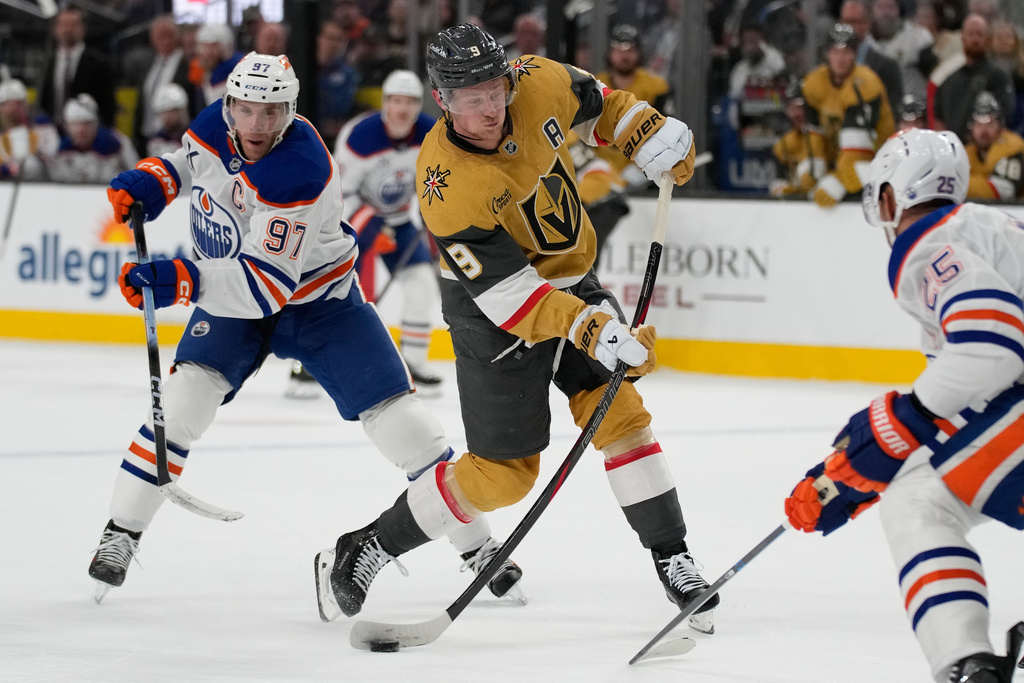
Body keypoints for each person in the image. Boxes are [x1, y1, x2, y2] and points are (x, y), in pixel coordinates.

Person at [314, 23, 720, 634]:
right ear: (441, 101)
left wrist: (647, 132)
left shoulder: (536, 80)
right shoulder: (445, 184)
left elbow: (603, 103)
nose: (488, 108)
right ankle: (369, 543)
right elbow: (512, 300)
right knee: (504, 477)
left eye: (493, 88)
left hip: (571, 281)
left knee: (621, 414)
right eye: (468, 97)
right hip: (492, 315)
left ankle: (674, 557)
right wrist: (591, 328)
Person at [88, 52, 523, 606]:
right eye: (246, 110)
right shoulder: (210, 126)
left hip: (319, 304)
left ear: (290, 111)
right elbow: (189, 162)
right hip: (231, 296)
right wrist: (157, 180)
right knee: (178, 408)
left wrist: (178, 279)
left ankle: (478, 547)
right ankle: (120, 533)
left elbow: (262, 289)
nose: (257, 125)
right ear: (229, 106)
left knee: (407, 428)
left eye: (271, 112)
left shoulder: (300, 169)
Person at [784, 127, 1024, 683]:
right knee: (920, 478)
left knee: (919, 502)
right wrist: (857, 467)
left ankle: (964, 660)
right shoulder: (989, 228)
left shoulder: (930, 246)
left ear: (890, 197)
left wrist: (901, 425)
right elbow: (987, 382)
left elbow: (991, 345)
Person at [287, 70, 442, 399]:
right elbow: (339, 193)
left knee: (422, 285)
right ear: (385, 103)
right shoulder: (360, 136)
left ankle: (412, 364)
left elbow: (442, 176)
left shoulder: (431, 132)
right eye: (396, 101)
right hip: (352, 218)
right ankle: (310, 364)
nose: (402, 109)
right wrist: (371, 225)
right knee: (341, 292)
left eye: (410, 102)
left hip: (399, 221)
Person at [801, 23, 895, 208]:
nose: (840, 58)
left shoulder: (866, 84)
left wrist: (835, 181)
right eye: (835, 52)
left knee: (851, 178)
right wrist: (813, 170)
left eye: (846, 52)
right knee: (806, 179)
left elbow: (856, 154)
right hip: (841, 160)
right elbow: (814, 137)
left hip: (877, 161)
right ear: (827, 54)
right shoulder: (814, 83)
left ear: (855, 54)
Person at [595, 24, 673, 186]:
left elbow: (664, 135)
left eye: (630, 51)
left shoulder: (656, 87)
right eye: (619, 51)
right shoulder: (594, 86)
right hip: (599, 175)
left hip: (641, 177)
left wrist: (644, 168)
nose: (625, 57)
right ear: (610, 54)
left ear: (639, 53)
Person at [933, 14, 1016, 142]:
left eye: (979, 34)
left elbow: (1006, 115)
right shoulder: (948, 81)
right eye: (971, 34)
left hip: (986, 153)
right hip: (954, 152)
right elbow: (938, 119)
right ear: (962, 38)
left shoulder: (999, 77)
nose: (975, 39)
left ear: (987, 38)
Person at [38, 7, 117, 129]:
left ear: (83, 29)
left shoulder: (98, 63)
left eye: (73, 25)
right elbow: (44, 101)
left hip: (86, 134)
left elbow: (108, 106)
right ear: (55, 29)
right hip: (54, 131)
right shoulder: (48, 62)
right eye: (63, 24)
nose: (67, 29)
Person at [48, 94, 138, 184]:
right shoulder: (59, 149)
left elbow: (137, 174)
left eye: (86, 124)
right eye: (75, 124)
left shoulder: (117, 142)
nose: (80, 130)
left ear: (96, 123)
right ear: (66, 126)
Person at [963, 92, 1024, 200]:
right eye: (979, 125)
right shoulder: (967, 152)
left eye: (990, 124)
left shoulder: (1012, 147)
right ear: (971, 127)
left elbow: (1004, 190)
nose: (984, 131)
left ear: (1000, 127)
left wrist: (959, 183)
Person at [0, 75, 59, 182]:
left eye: (18, 104)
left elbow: (48, 159)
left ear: (26, 104)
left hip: (37, 186)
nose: (12, 109)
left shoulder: (42, 126)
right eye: (6, 104)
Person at [145, 83, 191, 157]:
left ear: (183, 110)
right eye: (163, 112)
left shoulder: (196, 133)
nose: (167, 116)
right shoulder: (157, 142)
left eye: (172, 111)